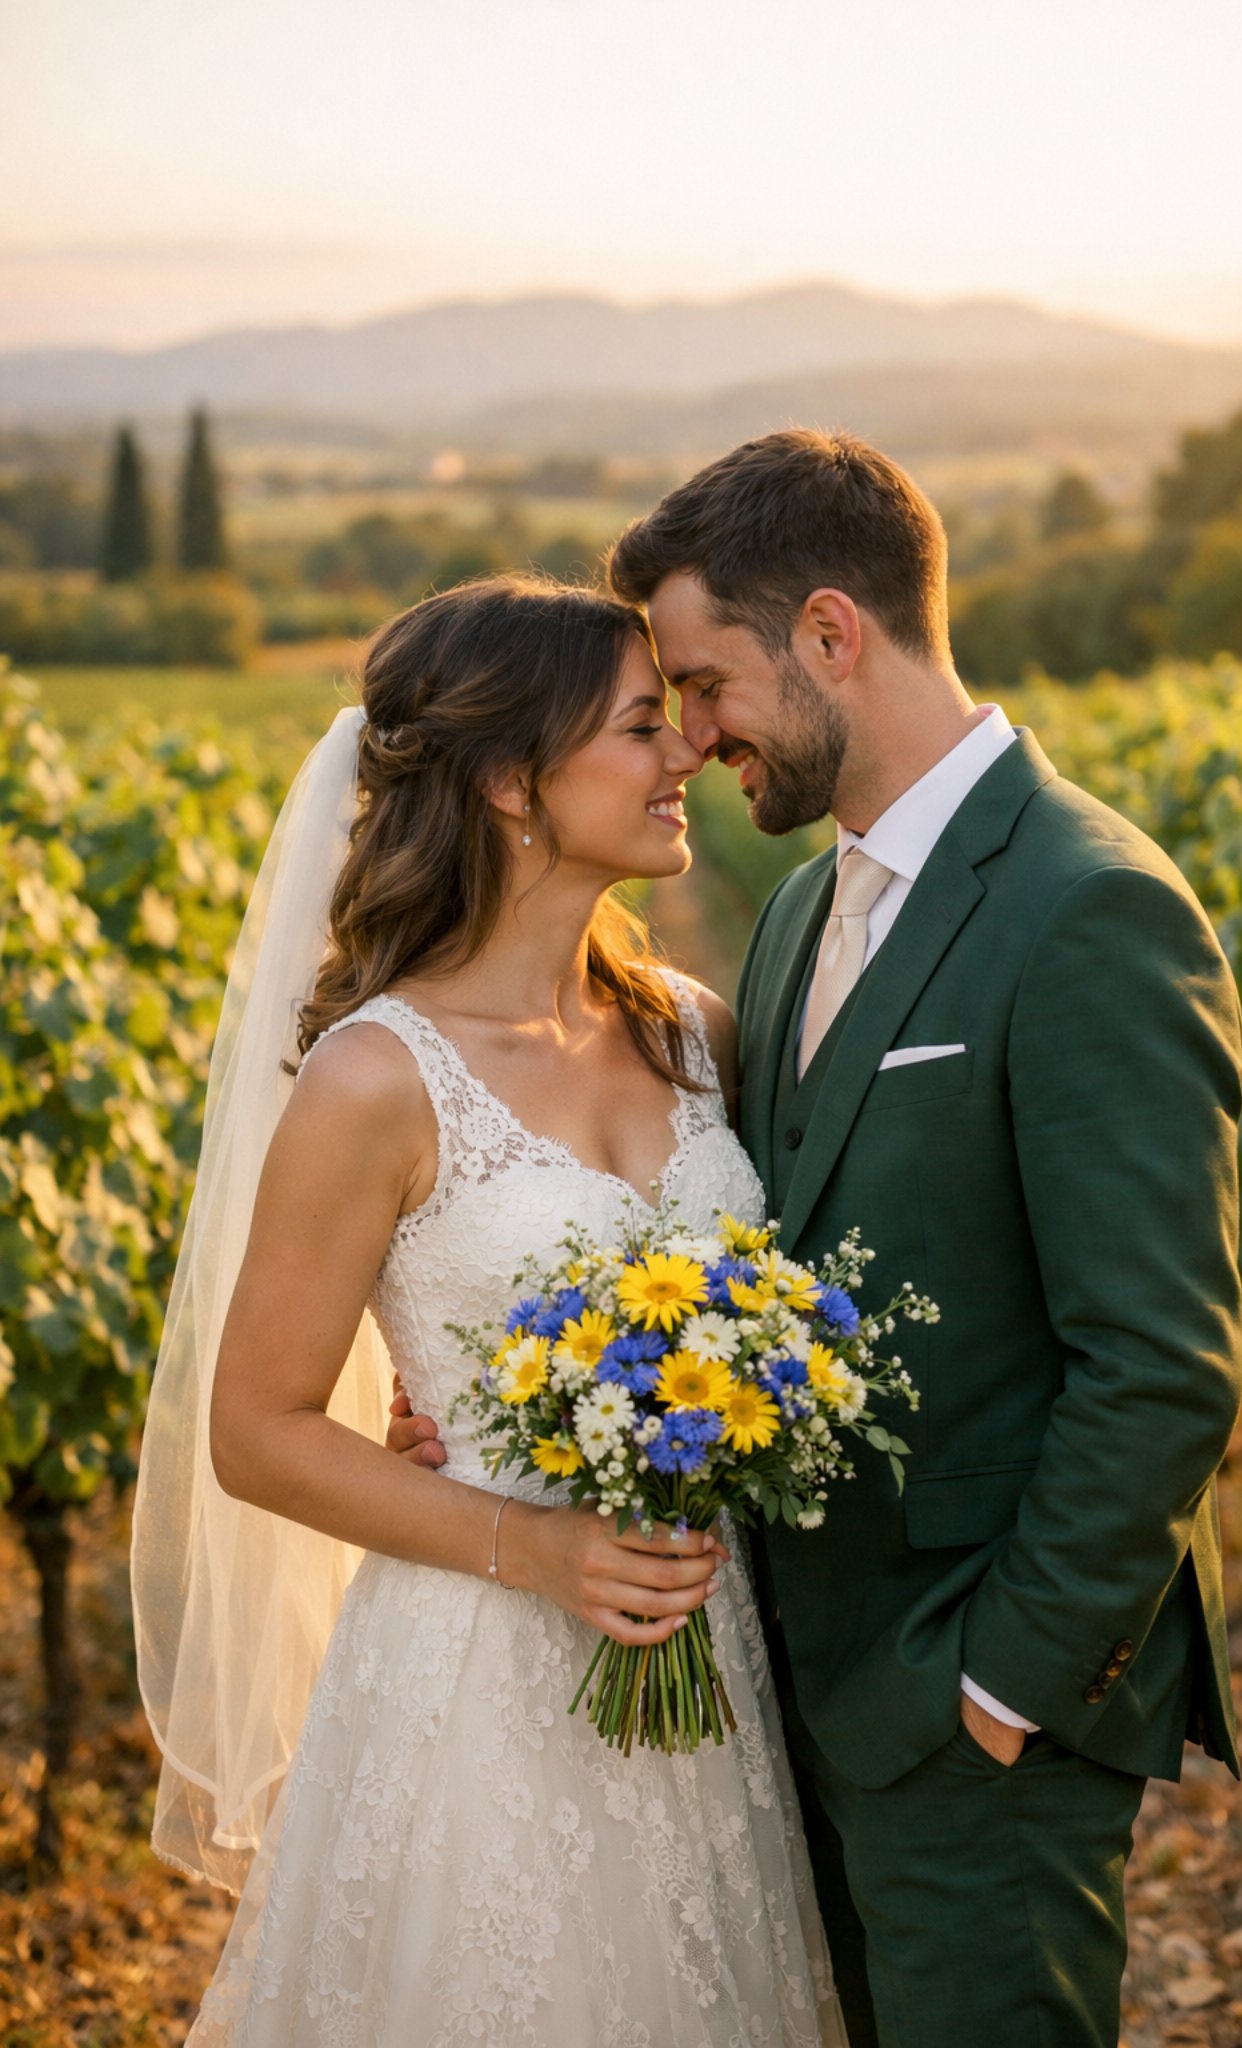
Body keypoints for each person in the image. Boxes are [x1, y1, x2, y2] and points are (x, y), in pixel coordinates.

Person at [393, 430, 1242, 2048]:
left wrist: (997, 1694)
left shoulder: (1088, 908)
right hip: (790, 1706)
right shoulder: (796, 913)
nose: (690, 738)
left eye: (705, 684)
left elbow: (1161, 1365)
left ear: (833, 634)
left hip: (971, 1719)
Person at [132, 574, 847, 2047]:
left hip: (708, 1654)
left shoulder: (695, 1029)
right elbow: (257, 1431)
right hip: (482, 1681)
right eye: (643, 725)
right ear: (515, 781)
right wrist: (536, 1544)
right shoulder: (374, 1078)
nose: (685, 757)